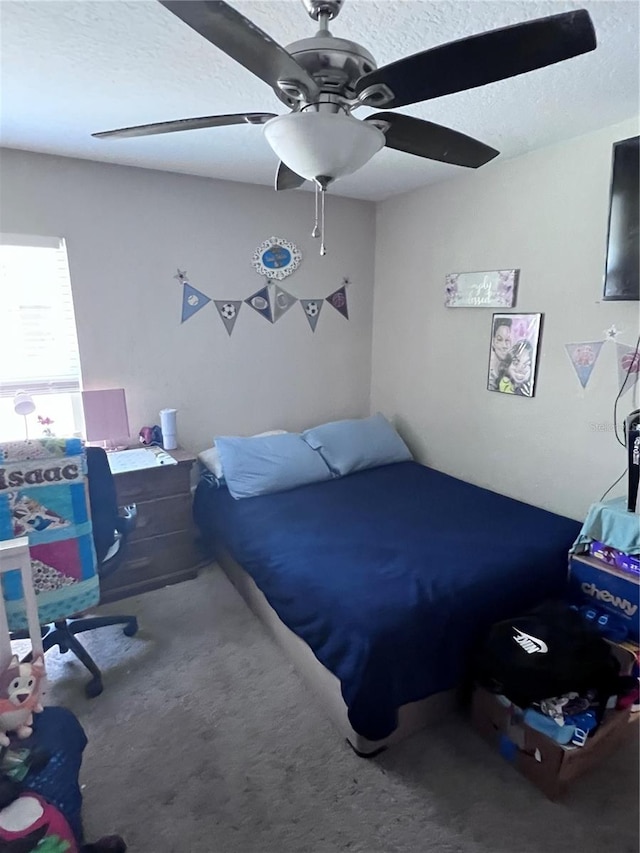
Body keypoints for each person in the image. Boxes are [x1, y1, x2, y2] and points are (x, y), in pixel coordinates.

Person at [487, 317, 512, 391]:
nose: (504, 346)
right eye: (499, 340)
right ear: (493, 341)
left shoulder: (511, 370)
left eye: (507, 340)